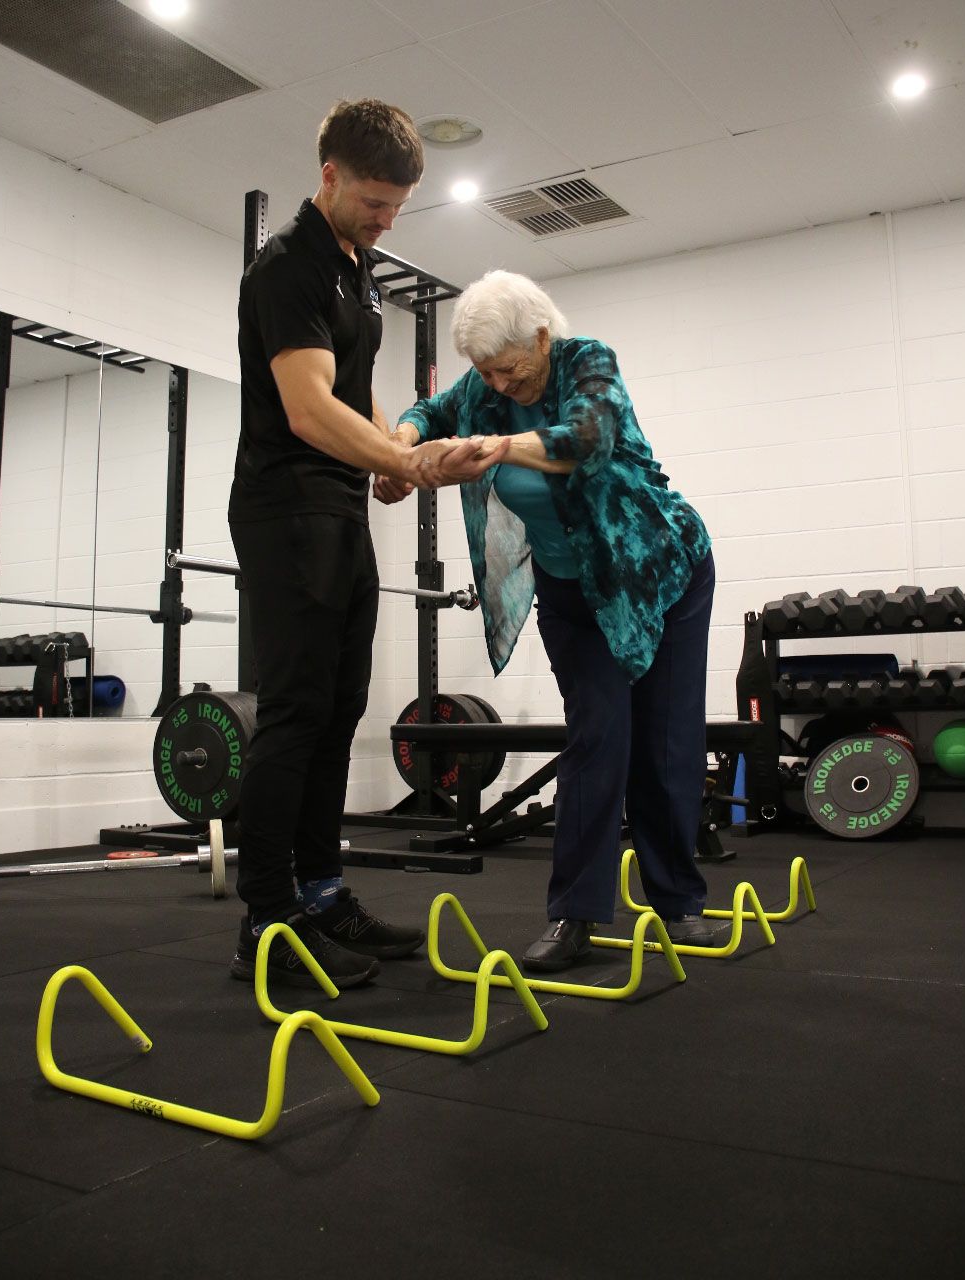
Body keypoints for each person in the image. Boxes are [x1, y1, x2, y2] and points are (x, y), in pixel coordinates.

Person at [227, 99, 505, 989]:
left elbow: (352, 391)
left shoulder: (359, 269)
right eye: (376, 202)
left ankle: (320, 894)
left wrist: (395, 453)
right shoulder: (287, 270)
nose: (388, 219)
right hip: (286, 510)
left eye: (398, 206)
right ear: (331, 176)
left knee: (341, 712)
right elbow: (309, 411)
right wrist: (407, 463)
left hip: (339, 508)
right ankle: (267, 927)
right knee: (296, 714)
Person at [386, 270, 717, 971]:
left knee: (665, 742)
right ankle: (576, 916)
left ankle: (679, 904)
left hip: (661, 575)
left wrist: (499, 448)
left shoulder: (585, 360)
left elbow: (590, 441)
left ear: (540, 337)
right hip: (574, 597)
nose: (498, 387)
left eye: (507, 369)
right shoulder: (485, 387)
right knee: (598, 740)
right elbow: (433, 411)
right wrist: (397, 450)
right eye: (486, 373)